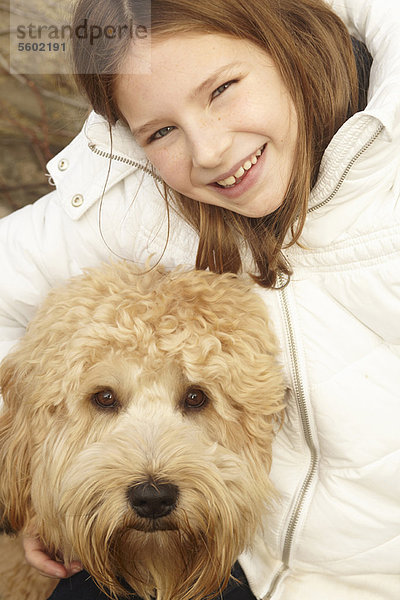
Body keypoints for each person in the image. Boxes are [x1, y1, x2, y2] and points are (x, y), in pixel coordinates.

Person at [0, 0, 399, 598]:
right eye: (160, 131)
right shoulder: (143, 198)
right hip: (239, 559)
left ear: (291, 43)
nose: (209, 151)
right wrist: (41, 479)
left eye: (223, 89)